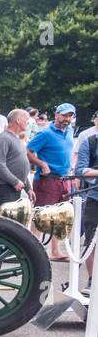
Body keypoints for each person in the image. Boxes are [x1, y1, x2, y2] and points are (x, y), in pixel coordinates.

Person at [28, 103, 78, 260]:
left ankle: (55, 252)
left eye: (70, 116)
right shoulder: (46, 133)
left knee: (60, 215)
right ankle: (31, 251)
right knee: (40, 215)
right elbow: (28, 151)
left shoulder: (69, 131)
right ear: (56, 115)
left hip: (64, 179)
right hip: (46, 180)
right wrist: (42, 164)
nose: (67, 119)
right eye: (64, 115)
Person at [73, 111, 98, 283]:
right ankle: (92, 280)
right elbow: (80, 170)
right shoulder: (90, 141)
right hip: (95, 197)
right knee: (91, 243)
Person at [0, 109, 33, 207]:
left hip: (12, 187)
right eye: (26, 119)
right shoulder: (3, 138)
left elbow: (20, 167)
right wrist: (14, 181)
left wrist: (28, 188)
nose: (28, 122)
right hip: (4, 187)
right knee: (4, 221)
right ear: (18, 120)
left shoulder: (16, 139)